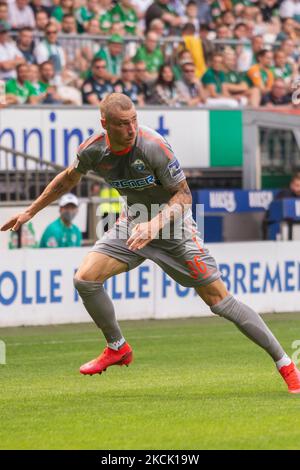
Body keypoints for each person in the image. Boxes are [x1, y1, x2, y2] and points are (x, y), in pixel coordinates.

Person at [1, 93, 300, 395]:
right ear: (105, 124)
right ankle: (117, 347)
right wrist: (30, 211)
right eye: (122, 124)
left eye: (133, 120)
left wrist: (154, 225)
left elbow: (184, 196)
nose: (131, 129)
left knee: (220, 302)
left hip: (174, 229)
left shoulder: (153, 146)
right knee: (85, 279)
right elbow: (67, 179)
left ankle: (286, 364)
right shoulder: (93, 151)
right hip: (134, 223)